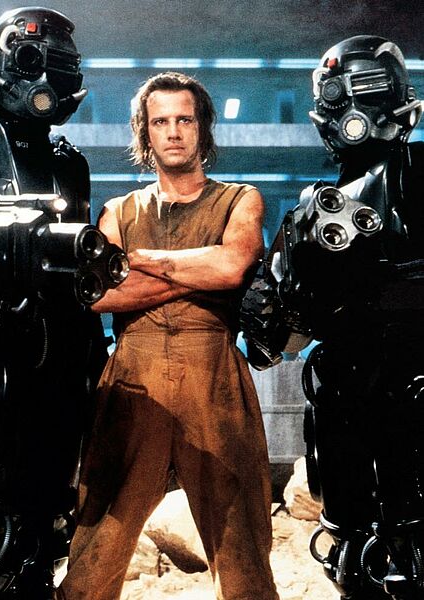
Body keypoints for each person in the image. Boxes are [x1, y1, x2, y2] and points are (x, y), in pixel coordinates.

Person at [57, 71, 279, 600]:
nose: (174, 132)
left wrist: (136, 261)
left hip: (214, 378)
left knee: (243, 555)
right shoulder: (118, 210)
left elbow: (232, 266)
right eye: (160, 122)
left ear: (203, 128)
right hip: (133, 383)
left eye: (185, 119)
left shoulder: (240, 200)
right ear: (145, 132)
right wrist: (196, 273)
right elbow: (99, 295)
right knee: (94, 554)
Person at [0, 7, 122, 599]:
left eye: (58, 65)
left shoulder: (70, 163)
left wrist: (95, 364)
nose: (44, 78)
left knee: (46, 529)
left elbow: (79, 275)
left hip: (61, 363)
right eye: (32, 59)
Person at [241, 36, 424, 600]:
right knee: (357, 564)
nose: (351, 107)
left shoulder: (416, 179)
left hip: (409, 406)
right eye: (336, 94)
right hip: (347, 422)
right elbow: (272, 342)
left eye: (366, 87)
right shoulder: (309, 213)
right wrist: (275, 291)